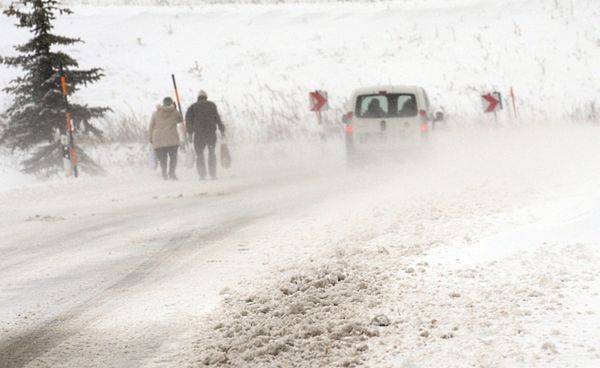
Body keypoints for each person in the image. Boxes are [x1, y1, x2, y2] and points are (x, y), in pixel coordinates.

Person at [185, 90, 225, 180]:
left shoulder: (192, 107)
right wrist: (222, 129)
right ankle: (213, 174)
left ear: (198, 98)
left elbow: (188, 120)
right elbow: (217, 118)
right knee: (211, 152)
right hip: (210, 133)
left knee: (199, 154)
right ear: (206, 97)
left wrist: (190, 133)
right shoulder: (212, 105)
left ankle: (202, 175)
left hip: (199, 135)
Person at [149, 97, 183, 180]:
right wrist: (176, 108)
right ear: (171, 103)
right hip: (172, 139)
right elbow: (180, 119)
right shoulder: (174, 112)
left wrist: (150, 137)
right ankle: (171, 173)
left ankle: (164, 173)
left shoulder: (155, 113)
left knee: (163, 159)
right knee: (173, 158)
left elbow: (151, 126)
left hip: (158, 139)